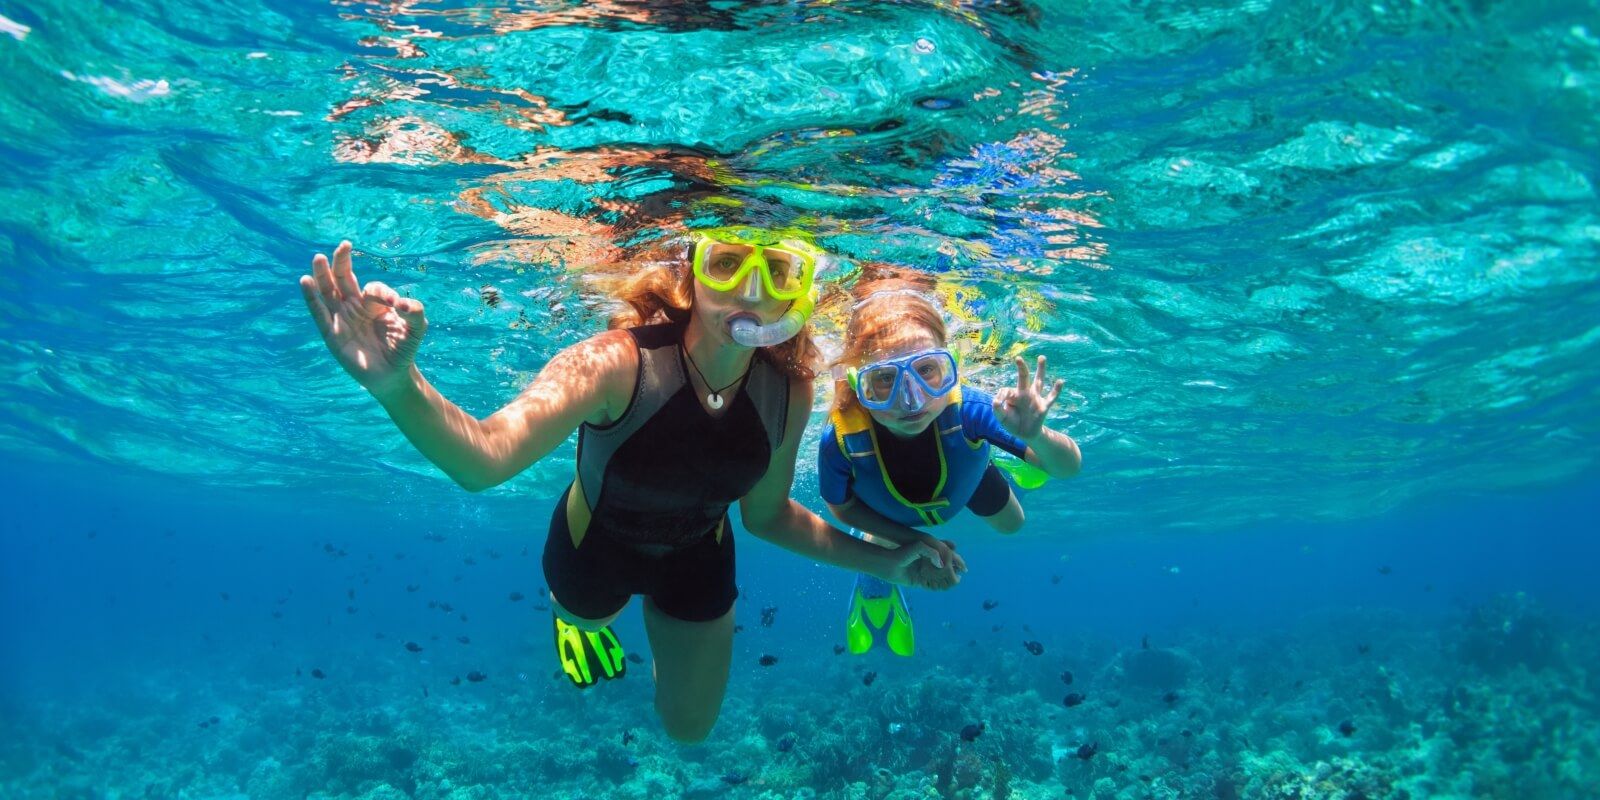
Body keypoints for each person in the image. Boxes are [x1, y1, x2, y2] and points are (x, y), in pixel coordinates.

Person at [298, 229, 953, 743]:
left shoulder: (791, 390)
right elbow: (484, 460)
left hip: (699, 554)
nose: (750, 292)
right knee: (588, 617)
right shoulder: (616, 362)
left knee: (689, 730)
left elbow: (768, 516)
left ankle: (647, 638)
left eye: (776, 272)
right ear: (692, 275)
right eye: (728, 264)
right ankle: (578, 622)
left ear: (796, 294)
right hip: (594, 547)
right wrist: (395, 385)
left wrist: (890, 561)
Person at [818, 286, 1082, 657]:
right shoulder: (841, 441)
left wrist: (1037, 436)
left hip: (966, 478)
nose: (911, 400)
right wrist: (914, 541)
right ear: (855, 384)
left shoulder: (972, 410)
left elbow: (1068, 468)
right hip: (883, 511)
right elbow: (842, 509)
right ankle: (875, 579)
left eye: (927, 371)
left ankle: (1013, 452)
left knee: (1013, 524)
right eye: (883, 379)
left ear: (950, 366)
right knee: (878, 541)